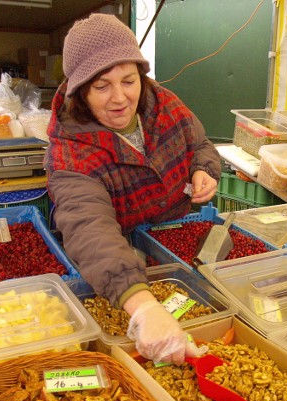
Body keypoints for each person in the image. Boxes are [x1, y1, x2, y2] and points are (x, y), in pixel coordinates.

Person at [45, 13, 221, 365]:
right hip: (119, 267)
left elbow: (200, 144)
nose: (119, 98)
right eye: (101, 86)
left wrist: (204, 169)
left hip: (175, 251)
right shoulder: (69, 151)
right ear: (80, 92)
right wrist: (142, 308)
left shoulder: (165, 104)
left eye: (128, 81)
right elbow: (88, 228)